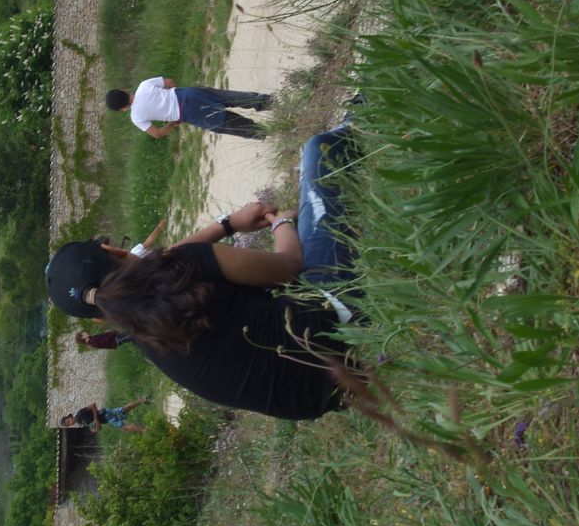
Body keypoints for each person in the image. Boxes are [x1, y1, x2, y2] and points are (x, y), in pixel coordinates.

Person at [45, 126, 360, 421]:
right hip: (337, 321)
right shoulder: (186, 266)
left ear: (100, 317)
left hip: (330, 395)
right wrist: (282, 223)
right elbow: (290, 267)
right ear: (114, 252)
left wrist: (228, 225)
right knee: (319, 151)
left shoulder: (149, 338)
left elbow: (167, 261)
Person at [106, 77, 271, 139]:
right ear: (124, 91)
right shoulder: (143, 86)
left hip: (187, 113)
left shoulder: (136, 117)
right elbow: (169, 82)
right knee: (230, 97)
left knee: (231, 124)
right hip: (188, 94)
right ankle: (267, 102)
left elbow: (157, 133)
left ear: (122, 108)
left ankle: (268, 131)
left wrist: (172, 123)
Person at [60, 398, 150, 433]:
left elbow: (93, 405)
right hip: (105, 418)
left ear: (70, 417)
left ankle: (145, 430)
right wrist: (95, 429)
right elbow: (95, 426)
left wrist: (96, 419)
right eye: (68, 425)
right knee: (124, 410)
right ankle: (143, 400)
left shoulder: (80, 413)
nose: (70, 423)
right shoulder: (81, 423)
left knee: (124, 427)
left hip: (104, 415)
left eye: (68, 421)